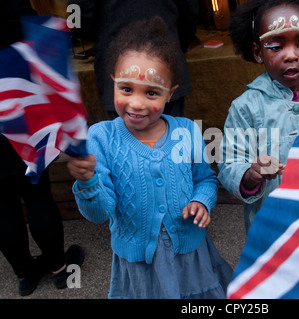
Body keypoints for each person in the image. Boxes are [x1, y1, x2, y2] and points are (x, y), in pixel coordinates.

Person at [67, 17, 233, 299]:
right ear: (112, 82)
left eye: (152, 92)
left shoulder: (186, 131)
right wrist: (87, 182)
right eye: (126, 88)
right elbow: (99, 213)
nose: (136, 103)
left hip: (190, 254)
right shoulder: (101, 138)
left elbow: (205, 179)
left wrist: (201, 201)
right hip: (138, 262)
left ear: (171, 93)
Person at [218, 0, 299, 232]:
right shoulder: (245, 108)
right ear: (258, 52)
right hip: (272, 225)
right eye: (276, 47)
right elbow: (230, 163)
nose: (291, 55)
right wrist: (250, 175)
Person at [0, 0, 84, 297]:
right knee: (35, 190)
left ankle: (24, 275)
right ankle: (59, 270)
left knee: (2, 202)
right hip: (12, 103)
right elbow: (29, 27)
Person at [68, 0, 198, 119]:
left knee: (125, 140)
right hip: (164, 63)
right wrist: (179, 45)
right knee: (169, 137)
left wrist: (98, 34)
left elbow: (79, 16)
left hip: (118, 63)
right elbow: (190, 12)